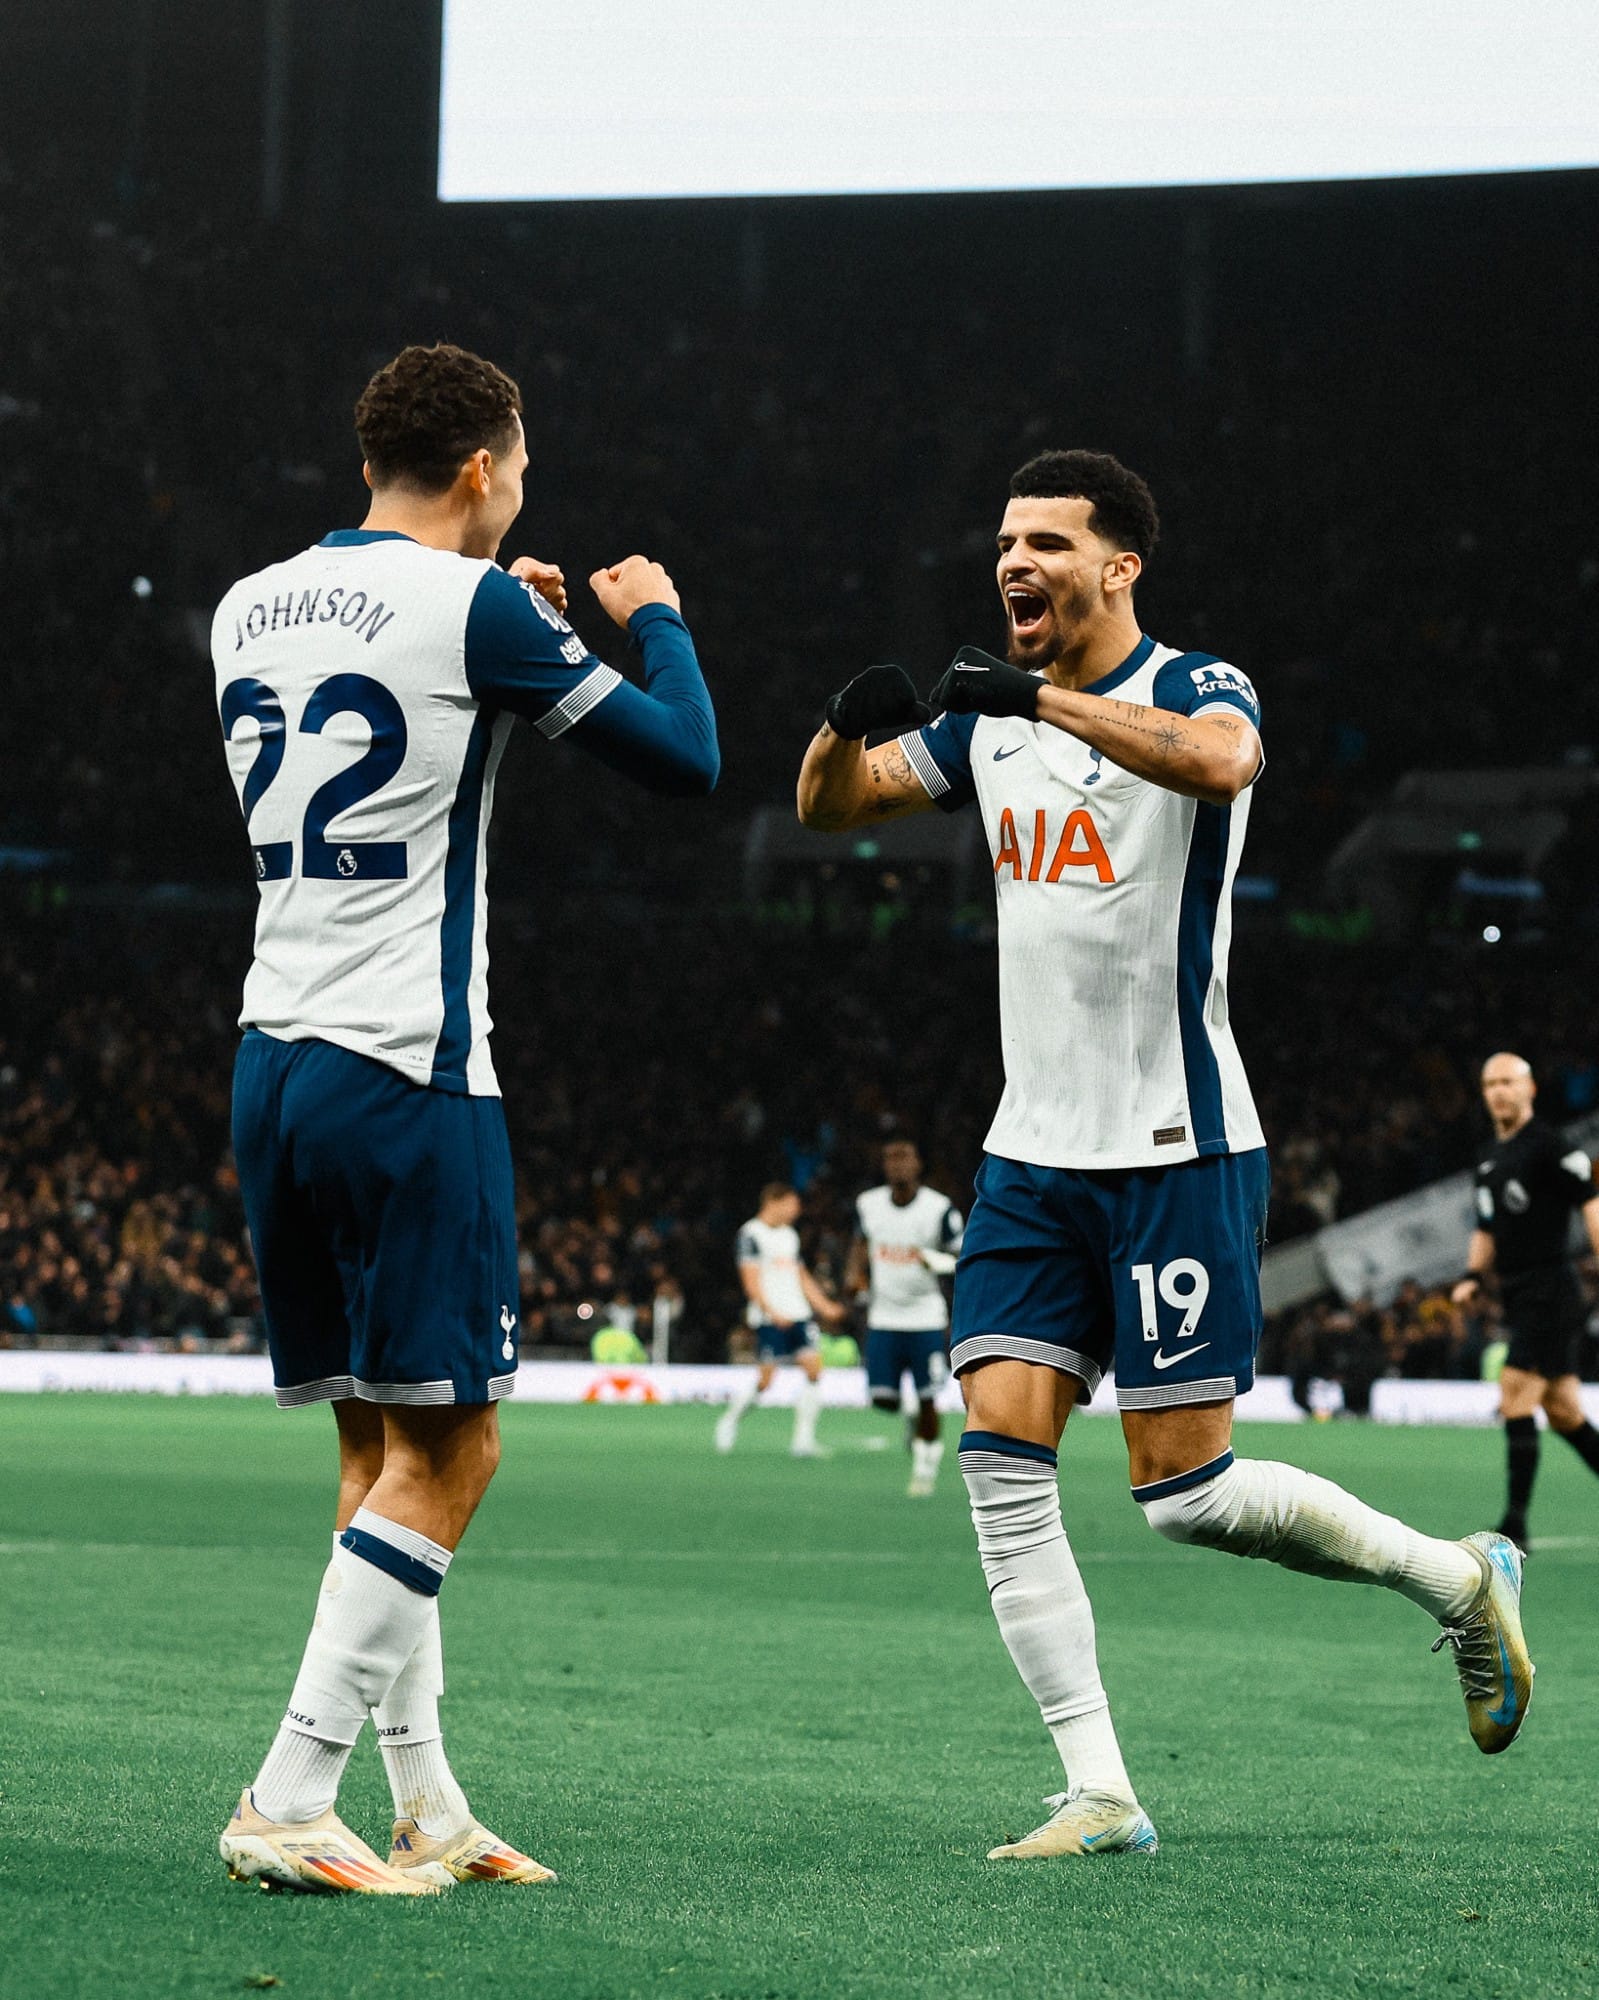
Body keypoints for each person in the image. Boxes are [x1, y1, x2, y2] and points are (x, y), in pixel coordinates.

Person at [797, 448, 1532, 1861]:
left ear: (1116, 564)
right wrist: (841, 727)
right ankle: (1099, 1791)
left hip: (1173, 1140)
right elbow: (833, 808)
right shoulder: (985, 731)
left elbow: (1220, 766)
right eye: (1002, 541)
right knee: (997, 1462)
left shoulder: (1196, 686)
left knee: (1182, 1494)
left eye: (1045, 543)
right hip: (1029, 1153)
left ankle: (1454, 1577)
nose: (1012, 562)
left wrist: (1034, 701)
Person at [212, 342, 718, 1894]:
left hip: (272, 1057)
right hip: (408, 1070)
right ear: (488, 468)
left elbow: (406, 716)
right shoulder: (482, 605)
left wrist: (523, 643)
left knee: (380, 1443)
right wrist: (653, 624)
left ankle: (425, 1803)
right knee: (463, 1446)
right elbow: (685, 761)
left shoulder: (243, 603)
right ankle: (290, 1796)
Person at [1452, 1052, 1599, 1552]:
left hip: (1551, 1292)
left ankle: (1514, 1525)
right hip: (1519, 1294)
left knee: (1515, 1390)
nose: (1499, 1091)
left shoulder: (1549, 1146)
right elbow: (1486, 1225)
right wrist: (1473, 1275)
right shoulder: (1489, 1156)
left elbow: (1591, 1200)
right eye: (1490, 1082)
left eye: (1508, 1082)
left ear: (1530, 1088)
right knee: (1563, 1413)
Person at [847, 1138, 964, 1495]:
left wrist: (939, 1262)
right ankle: (910, 1416)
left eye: (905, 1157)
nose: (898, 1164)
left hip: (925, 1319)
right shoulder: (868, 1205)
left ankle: (924, 1470)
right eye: (890, 1158)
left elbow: (965, 1257)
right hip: (883, 1318)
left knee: (929, 1397)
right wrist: (853, 1276)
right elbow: (859, 1245)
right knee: (884, 1399)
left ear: (918, 1165)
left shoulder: (939, 1209)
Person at [718, 1182, 846, 1456]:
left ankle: (803, 1440)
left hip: (798, 1314)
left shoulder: (789, 1235)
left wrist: (824, 1306)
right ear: (774, 1202)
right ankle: (729, 1420)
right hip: (770, 1318)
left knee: (814, 1371)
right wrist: (772, 1312)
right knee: (766, 1380)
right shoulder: (751, 1234)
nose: (796, 1211)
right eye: (792, 1204)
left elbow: (800, 1275)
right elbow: (750, 1281)